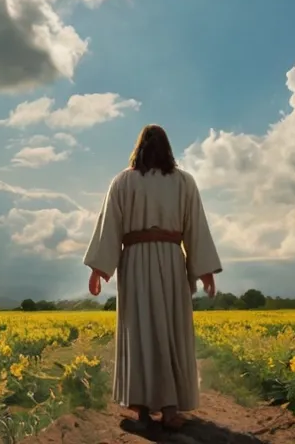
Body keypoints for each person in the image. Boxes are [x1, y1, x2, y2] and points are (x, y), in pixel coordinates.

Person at [83, 123, 223, 431]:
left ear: (140, 148)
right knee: (170, 330)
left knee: (141, 331)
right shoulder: (184, 182)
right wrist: (204, 270)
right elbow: (195, 227)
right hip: (171, 261)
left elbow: (110, 229)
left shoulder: (123, 182)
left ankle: (143, 408)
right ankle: (169, 410)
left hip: (134, 263)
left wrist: (99, 269)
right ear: (167, 148)